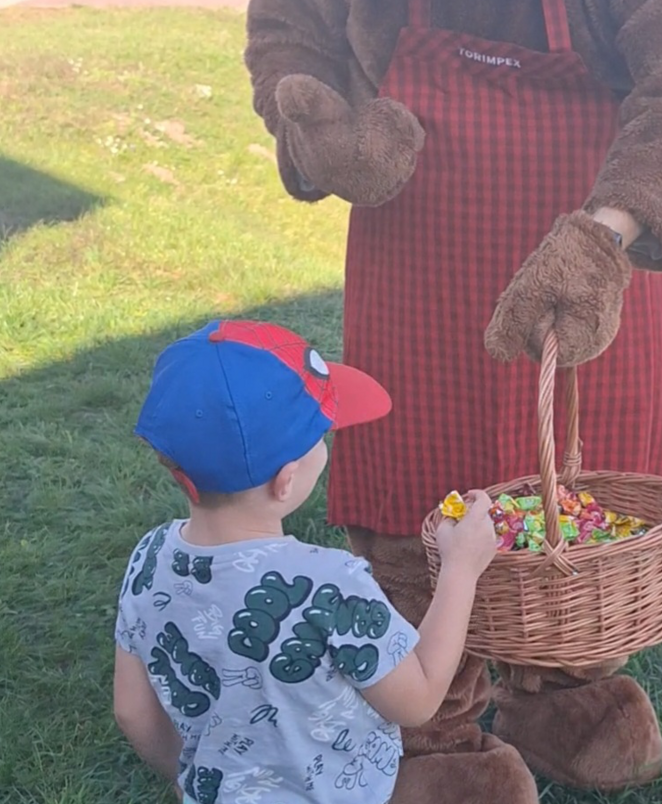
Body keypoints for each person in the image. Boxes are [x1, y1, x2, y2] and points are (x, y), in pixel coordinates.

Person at [112, 319, 499, 804]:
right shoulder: (329, 585)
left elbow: (132, 711)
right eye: (322, 434)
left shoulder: (148, 559)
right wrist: (460, 568)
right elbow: (417, 700)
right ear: (286, 480)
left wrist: (191, 778)